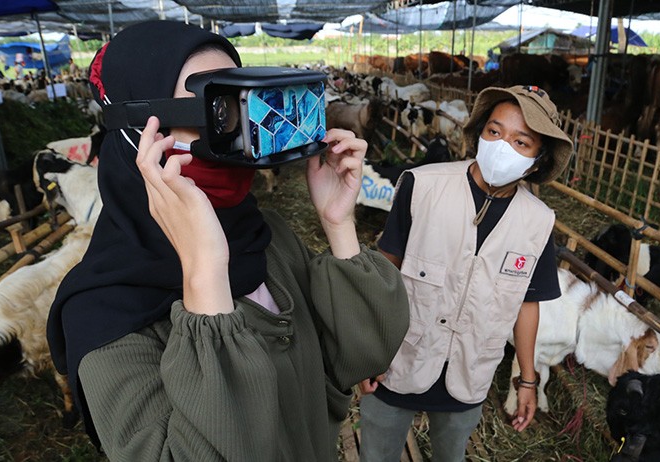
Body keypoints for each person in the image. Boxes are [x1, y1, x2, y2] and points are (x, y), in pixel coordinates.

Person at [46, 20, 409, 461]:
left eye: (237, 107)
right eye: (212, 111)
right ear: (134, 135)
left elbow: (361, 354)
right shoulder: (103, 313)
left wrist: (339, 224)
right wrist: (203, 274)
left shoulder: (266, 237)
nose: (234, 135)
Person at [357, 85, 573, 461]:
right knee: (377, 454)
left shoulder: (537, 222)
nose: (502, 146)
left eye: (521, 142)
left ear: (537, 161)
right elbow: (385, 270)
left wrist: (527, 379)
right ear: (479, 133)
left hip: (469, 370)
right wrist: (367, 349)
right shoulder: (422, 185)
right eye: (494, 132)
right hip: (399, 357)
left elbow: (527, 303)